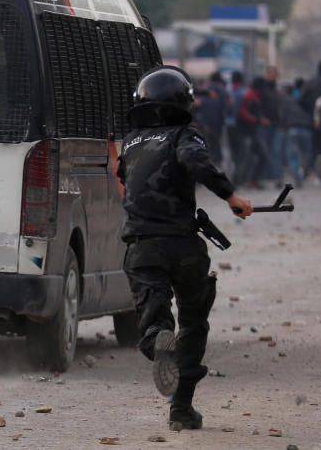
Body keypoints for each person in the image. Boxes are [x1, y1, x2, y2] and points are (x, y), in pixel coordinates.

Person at [112, 66, 252, 431]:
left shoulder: (129, 142)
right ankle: (181, 409)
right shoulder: (183, 136)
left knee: (154, 317)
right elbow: (196, 163)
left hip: (142, 247)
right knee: (193, 322)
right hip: (183, 246)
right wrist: (231, 196)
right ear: (182, 102)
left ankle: (159, 338)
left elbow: (124, 183)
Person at [299, 60, 321, 178]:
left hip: (315, 122)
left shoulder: (311, 82)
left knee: (314, 147)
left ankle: (311, 171)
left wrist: (311, 111)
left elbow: (301, 100)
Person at [282, 79, 313, 187]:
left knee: (292, 155)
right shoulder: (309, 98)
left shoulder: (289, 98)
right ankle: (303, 171)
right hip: (306, 128)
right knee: (307, 153)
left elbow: (284, 114)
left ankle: (297, 177)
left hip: (292, 128)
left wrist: (284, 126)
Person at [193, 72, 229, 167]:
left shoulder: (204, 90)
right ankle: (218, 166)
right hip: (218, 124)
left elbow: (196, 106)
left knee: (207, 146)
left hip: (204, 124)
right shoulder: (223, 92)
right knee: (217, 145)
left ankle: (209, 166)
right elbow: (228, 108)